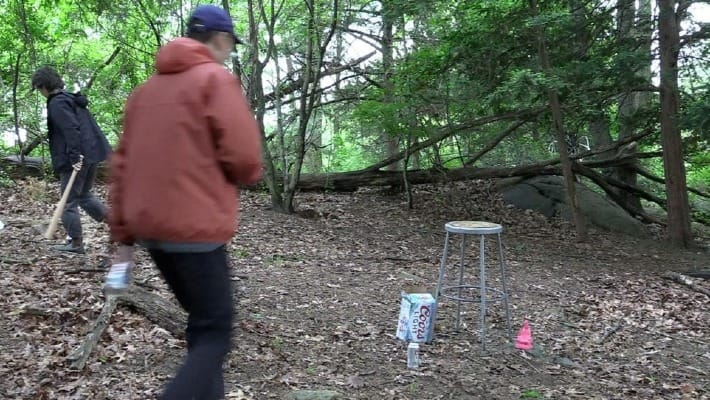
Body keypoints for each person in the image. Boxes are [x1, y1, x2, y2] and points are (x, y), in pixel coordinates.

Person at [107, 4, 262, 399]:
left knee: (201, 323)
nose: (228, 53)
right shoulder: (215, 80)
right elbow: (245, 159)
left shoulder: (144, 92)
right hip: (194, 228)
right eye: (229, 45)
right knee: (216, 330)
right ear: (221, 39)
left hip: (150, 232)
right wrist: (245, 176)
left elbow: (121, 165)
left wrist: (123, 235)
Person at [31, 66, 112, 254]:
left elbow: (71, 129)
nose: (40, 93)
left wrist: (75, 157)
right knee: (84, 196)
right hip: (91, 154)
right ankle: (122, 226)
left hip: (76, 158)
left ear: (43, 86)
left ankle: (75, 243)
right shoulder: (71, 99)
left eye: (39, 88)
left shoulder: (57, 103)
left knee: (68, 202)